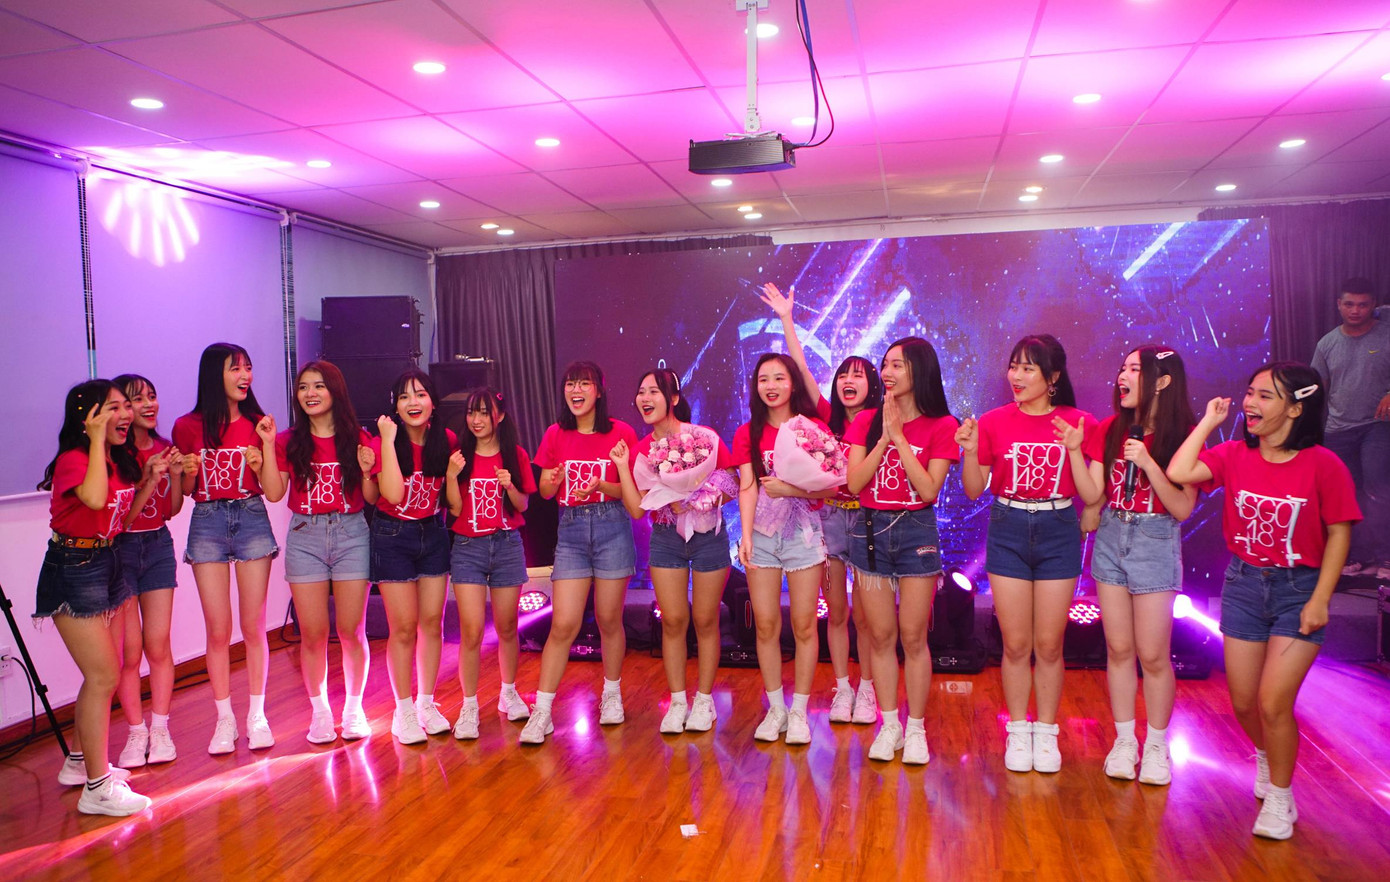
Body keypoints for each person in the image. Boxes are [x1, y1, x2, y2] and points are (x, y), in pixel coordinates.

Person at [1167, 362, 1359, 840]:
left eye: (1265, 396)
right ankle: (1267, 756)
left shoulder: (1323, 464)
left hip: (1299, 590)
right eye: (1250, 392)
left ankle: (1280, 795)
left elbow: (1339, 534)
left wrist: (1320, 599)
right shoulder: (1234, 454)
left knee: (1274, 703)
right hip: (1245, 585)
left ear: (1295, 408)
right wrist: (1208, 423)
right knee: (1243, 702)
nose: (1250, 403)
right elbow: (1179, 471)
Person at [956, 334, 1097, 773]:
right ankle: (1018, 730)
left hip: (1058, 528)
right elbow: (973, 488)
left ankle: (1047, 732)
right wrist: (969, 451)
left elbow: (1092, 494)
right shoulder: (994, 421)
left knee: (1049, 644)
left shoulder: (1079, 422)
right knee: (1016, 644)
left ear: (1052, 377)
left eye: (1028, 368)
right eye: (1013, 366)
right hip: (1008, 527)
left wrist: (1074, 450)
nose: (1016, 376)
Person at [762, 282, 882, 724]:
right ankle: (843, 688)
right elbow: (802, 368)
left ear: (873, 384)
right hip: (827, 521)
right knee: (836, 613)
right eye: (844, 375)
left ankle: (868, 689)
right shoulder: (825, 419)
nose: (849, 381)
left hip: (868, 523)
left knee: (867, 618)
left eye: (859, 375)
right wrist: (787, 320)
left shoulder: (881, 423)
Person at [38, 380, 158, 815]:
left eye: (127, 406)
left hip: (107, 562)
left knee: (104, 672)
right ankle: (97, 788)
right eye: (114, 407)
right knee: (104, 676)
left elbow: (118, 518)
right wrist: (92, 442)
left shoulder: (116, 460)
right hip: (72, 568)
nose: (126, 414)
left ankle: (77, 762)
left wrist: (149, 481)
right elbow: (92, 498)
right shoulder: (75, 459)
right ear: (89, 417)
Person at [1079, 347, 1197, 786]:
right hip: (1113, 535)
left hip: (1155, 538)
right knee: (1119, 649)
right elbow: (1094, 493)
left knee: (1153, 654)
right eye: (1122, 368)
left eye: (1134, 369)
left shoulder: (1183, 435)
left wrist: (1147, 462)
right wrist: (1073, 454)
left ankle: (1157, 745)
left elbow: (1182, 508)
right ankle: (1125, 740)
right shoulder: (1110, 428)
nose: (1122, 376)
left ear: (1162, 382)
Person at [844, 337, 959, 765]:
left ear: (921, 370)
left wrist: (901, 439)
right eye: (886, 364)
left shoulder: (942, 425)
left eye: (899, 365)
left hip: (916, 532)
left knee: (913, 636)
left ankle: (916, 729)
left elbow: (928, 490)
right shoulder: (866, 420)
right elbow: (854, 484)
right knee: (880, 636)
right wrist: (883, 439)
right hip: (869, 531)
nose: (888, 373)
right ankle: (889, 724)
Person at [520, 361, 639, 744]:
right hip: (571, 530)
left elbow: (633, 493)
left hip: (611, 526)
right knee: (563, 624)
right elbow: (544, 490)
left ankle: (611, 694)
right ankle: (542, 711)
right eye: (570, 384)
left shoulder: (621, 432)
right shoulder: (556, 433)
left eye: (584, 384)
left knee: (609, 619)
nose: (576, 390)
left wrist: (602, 485)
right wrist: (552, 480)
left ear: (599, 391)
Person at [171, 343, 280, 755]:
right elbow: (186, 490)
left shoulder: (258, 423)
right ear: (213, 374)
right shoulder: (186, 426)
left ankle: (257, 716)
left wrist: (264, 454)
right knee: (217, 629)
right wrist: (186, 474)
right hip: (207, 520)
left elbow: (271, 490)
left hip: (251, 516)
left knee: (253, 626)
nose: (245, 376)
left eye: (248, 368)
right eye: (235, 368)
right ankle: (224, 719)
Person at [616, 368, 736, 734]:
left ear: (673, 398)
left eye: (654, 391)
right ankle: (678, 700)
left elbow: (732, 483)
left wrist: (702, 498)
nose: (645, 398)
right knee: (672, 621)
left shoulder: (704, 438)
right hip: (667, 537)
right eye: (641, 391)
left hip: (708, 535)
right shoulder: (642, 450)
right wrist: (623, 468)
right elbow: (638, 508)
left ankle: (704, 701)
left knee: (705, 619)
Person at [734, 353, 841, 745]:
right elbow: (748, 485)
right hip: (762, 534)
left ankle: (799, 712)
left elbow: (833, 487)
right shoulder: (747, 432)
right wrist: (746, 535)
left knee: (804, 624)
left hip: (803, 533)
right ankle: (776, 708)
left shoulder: (812, 429)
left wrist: (792, 488)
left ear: (792, 383)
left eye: (779, 378)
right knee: (765, 624)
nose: (771, 386)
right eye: (764, 379)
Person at [265, 362, 374, 745]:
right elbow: (274, 493)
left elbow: (371, 497)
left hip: (351, 533)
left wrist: (367, 471)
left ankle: (354, 710)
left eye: (319, 386)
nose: (310, 393)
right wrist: (266, 446)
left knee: (351, 630)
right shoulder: (288, 441)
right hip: (305, 535)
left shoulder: (357, 437)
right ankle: (321, 713)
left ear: (335, 391)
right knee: (312, 633)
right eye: (303, 387)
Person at [370, 370, 456, 743]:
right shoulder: (383, 442)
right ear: (395, 406)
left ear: (432, 401)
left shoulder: (446, 439)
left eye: (420, 394)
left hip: (433, 533)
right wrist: (388, 441)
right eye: (404, 397)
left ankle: (426, 703)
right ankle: (402, 710)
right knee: (403, 628)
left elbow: (450, 497)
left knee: (432, 623)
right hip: (392, 536)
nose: (413, 403)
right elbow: (390, 494)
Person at [445, 388, 536, 739]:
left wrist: (510, 486)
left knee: (508, 625)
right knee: (470, 629)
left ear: (500, 416)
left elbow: (523, 505)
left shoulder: (515, 454)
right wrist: (451, 476)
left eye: (484, 412)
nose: (477, 419)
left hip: (507, 544)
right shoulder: (460, 456)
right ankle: (469, 705)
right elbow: (454, 509)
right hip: (468, 546)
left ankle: (508, 692)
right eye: (472, 412)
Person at [111, 374, 184, 768]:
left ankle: (161, 728)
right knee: (129, 652)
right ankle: (135, 731)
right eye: (137, 399)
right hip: (120, 550)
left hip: (158, 546)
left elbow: (170, 510)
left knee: (158, 645)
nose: (148, 405)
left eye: (152, 396)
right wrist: (148, 478)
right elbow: (121, 520)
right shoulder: (114, 455)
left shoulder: (164, 448)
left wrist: (176, 476)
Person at [1310, 277, 1390, 580]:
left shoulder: (1386, 335)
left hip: (1377, 425)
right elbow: (1316, 389)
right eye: (1349, 304)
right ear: (1339, 305)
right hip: (1338, 429)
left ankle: (1386, 557)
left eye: (1363, 304)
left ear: (1373, 305)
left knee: (1378, 490)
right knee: (1346, 495)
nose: (1355, 310)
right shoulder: (1327, 343)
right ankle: (1358, 554)